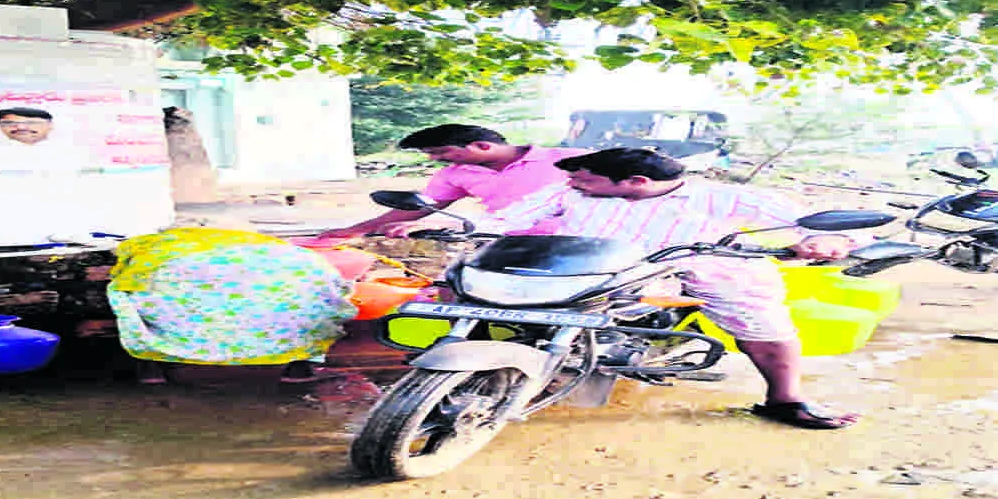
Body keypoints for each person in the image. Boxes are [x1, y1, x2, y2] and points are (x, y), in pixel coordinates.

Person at [487, 147, 865, 430]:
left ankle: (786, 399)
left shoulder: (720, 197)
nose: (574, 185)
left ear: (637, 182)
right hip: (591, 267)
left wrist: (825, 240)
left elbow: (813, 224)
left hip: (706, 267)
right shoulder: (569, 193)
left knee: (761, 323)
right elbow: (504, 219)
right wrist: (465, 226)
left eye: (585, 180)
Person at [106, 227, 358, 385]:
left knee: (137, 301)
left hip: (183, 282)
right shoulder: (290, 255)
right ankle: (299, 367)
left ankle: (150, 366)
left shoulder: (151, 251)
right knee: (305, 306)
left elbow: (126, 287)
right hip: (283, 291)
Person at [318, 124, 586, 239]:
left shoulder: (570, 158)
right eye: (431, 154)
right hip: (503, 239)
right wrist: (355, 230)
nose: (436, 159)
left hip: (581, 241)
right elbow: (420, 206)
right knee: (453, 283)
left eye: (441, 152)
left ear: (481, 146)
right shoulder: (454, 174)